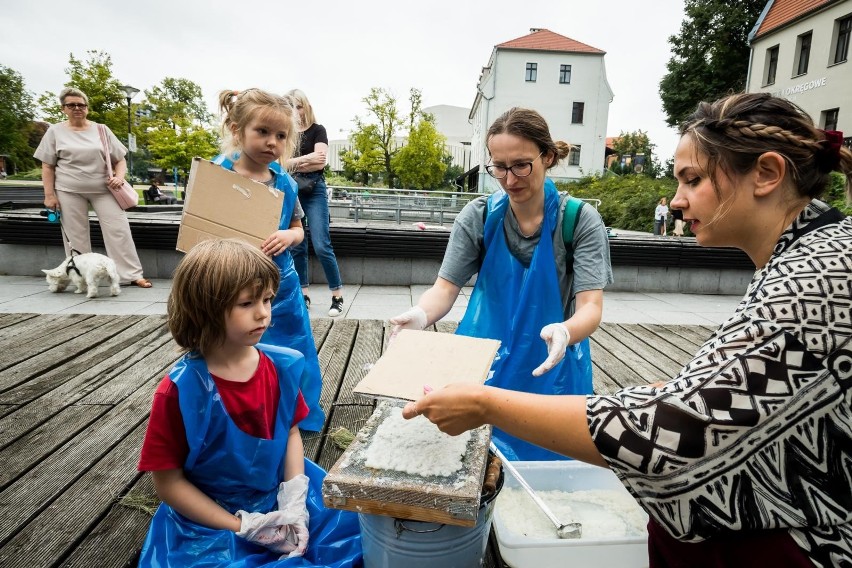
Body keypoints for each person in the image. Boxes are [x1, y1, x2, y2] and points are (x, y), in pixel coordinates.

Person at [404, 93, 852, 567]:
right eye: (499, 167)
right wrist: (421, 316)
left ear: (766, 173)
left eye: (693, 179)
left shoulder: (811, 281)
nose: (676, 202)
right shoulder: (815, 254)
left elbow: (671, 434)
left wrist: (484, 402)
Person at [390, 107, 613, 461]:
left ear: (548, 157)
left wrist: (566, 332)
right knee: (475, 462)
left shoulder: (578, 220)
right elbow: (445, 289)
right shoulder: (478, 216)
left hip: (550, 364)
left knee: (547, 463)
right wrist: (419, 314)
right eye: (499, 167)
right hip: (483, 360)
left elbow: (591, 307)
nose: (510, 179)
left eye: (521, 164)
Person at [137, 238, 362, 567]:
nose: (263, 313)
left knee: (355, 533)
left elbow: (292, 432)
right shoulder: (180, 391)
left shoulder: (280, 370)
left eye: (268, 299)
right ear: (204, 307)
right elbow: (168, 482)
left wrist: (295, 498)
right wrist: (243, 526)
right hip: (210, 516)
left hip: (280, 490)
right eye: (246, 303)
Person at [211, 88, 325, 432]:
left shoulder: (285, 183)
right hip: (230, 284)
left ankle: (292, 412)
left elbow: (298, 228)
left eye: (281, 135)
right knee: (233, 348)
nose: (271, 142)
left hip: (281, 285)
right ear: (237, 129)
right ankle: (236, 414)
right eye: (262, 131)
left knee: (293, 347)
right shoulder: (218, 176)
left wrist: (288, 237)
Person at [33, 87, 152, 288]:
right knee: (75, 236)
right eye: (71, 105)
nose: (77, 108)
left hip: (104, 189)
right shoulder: (55, 131)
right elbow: (47, 166)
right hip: (68, 190)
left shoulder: (101, 130)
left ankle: (131, 274)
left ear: (87, 108)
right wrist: (49, 195)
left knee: (119, 230)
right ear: (64, 109)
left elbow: (120, 160)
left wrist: (120, 178)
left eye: (81, 105)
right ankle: (81, 278)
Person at [285, 89, 344, 317]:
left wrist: (293, 163)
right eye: (291, 106)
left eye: (298, 106)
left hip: (314, 189)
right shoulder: (287, 134)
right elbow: (281, 164)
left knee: (321, 244)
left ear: (306, 106)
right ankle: (303, 294)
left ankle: (337, 295)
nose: (295, 111)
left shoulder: (318, 130)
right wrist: (304, 160)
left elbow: (320, 163)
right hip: (292, 190)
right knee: (297, 245)